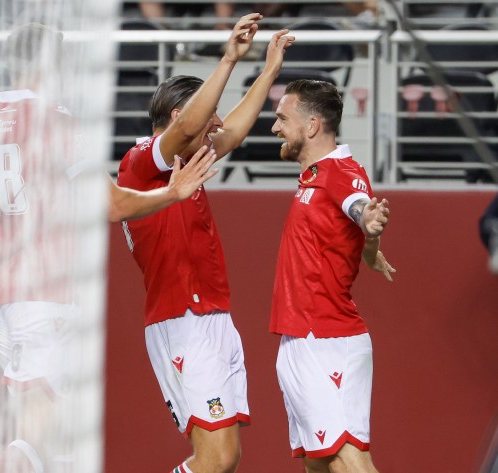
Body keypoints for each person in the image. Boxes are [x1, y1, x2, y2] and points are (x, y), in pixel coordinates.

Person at [0, 22, 218, 473]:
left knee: (59, 442)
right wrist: (173, 192)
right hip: (44, 297)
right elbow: (112, 205)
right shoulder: (58, 120)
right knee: (31, 440)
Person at [116, 13, 293, 473]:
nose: (215, 122)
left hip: (211, 317)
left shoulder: (188, 157)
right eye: (205, 113)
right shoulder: (141, 164)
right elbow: (197, 126)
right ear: (179, 117)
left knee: (225, 458)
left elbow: (232, 129)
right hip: (182, 320)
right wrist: (229, 59)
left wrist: (269, 67)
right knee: (214, 459)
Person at [268, 79, 395, 472]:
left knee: (348, 461)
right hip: (301, 337)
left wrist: (367, 220)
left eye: (282, 118)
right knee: (318, 463)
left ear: (311, 126)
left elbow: (358, 205)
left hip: (327, 339)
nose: (275, 128)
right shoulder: (314, 174)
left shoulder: (341, 170)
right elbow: (355, 223)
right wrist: (370, 249)